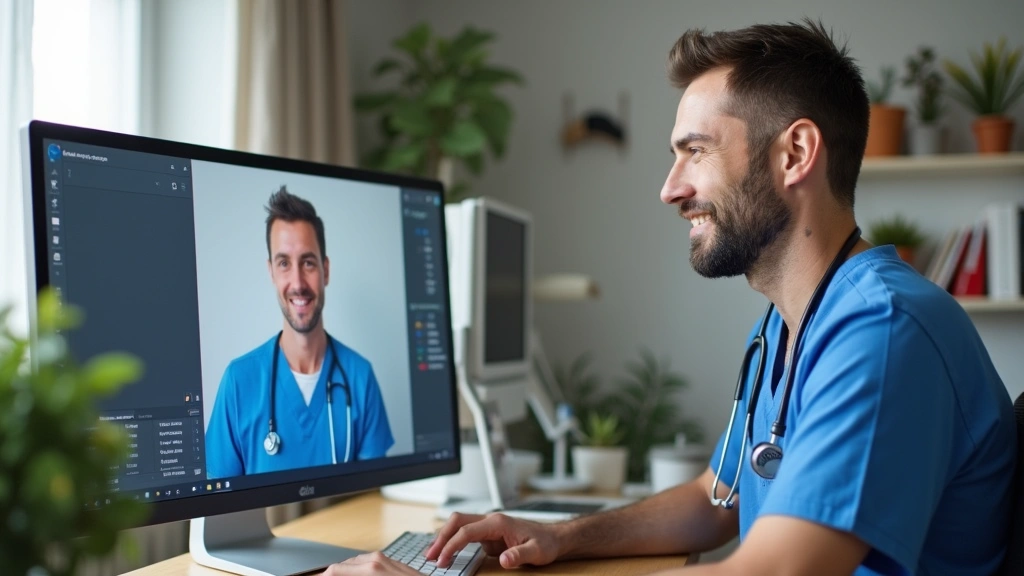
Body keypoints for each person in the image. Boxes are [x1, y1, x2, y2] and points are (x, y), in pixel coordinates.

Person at [320, 19, 1016, 576]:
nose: (670, 187)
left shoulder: (881, 332)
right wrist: (562, 537)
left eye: (695, 151)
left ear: (796, 154)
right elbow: (718, 500)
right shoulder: (785, 326)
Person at [206, 186, 394, 478]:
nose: (297, 282)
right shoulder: (238, 383)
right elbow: (216, 506)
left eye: (308, 263)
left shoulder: (360, 377)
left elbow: (370, 504)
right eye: (284, 263)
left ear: (326, 270)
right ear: (271, 272)